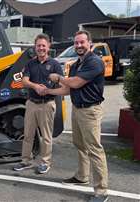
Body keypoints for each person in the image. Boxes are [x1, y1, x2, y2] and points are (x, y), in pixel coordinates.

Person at [44, 30, 108, 202]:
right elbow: (68, 89)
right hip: (78, 109)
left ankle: (101, 191)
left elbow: (76, 82)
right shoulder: (74, 65)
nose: (79, 45)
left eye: (82, 42)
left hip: (90, 111)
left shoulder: (95, 62)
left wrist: (58, 77)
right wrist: (48, 91)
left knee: (94, 148)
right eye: (76, 43)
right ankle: (82, 176)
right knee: (79, 144)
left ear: (90, 43)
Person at [13, 33, 63, 174]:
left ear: (48, 47)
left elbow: (62, 84)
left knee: (46, 136)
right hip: (31, 103)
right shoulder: (30, 63)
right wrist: (36, 87)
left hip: (47, 104)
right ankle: (26, 161)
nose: (41, 48)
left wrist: (47, 90)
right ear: (35, 47)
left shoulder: (55, 64)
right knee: (28, 135)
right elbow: (24, 81)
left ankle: (45, 163)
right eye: (38, 45)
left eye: (43, 45)